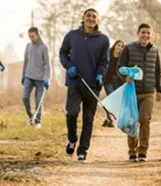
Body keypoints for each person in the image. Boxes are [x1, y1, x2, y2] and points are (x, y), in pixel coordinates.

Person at [59, 9, 110, 162]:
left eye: (94, 17)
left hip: (93, 84)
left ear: (98, 20)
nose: (91, 18)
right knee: (72, 113)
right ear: (83, 18)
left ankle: (83, 150)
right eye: (88, 15)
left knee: (88, 118)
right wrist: (68, 66)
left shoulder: (103, 39)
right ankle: (72, 139)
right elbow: (62, 53)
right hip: (75, 81)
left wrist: (100, 74)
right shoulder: (72, 35)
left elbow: (104, 61)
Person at [116, 24, 161, 162]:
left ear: (151, 35)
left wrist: (158, 89)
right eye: (143, 32)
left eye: (148, 33)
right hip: (132, 91)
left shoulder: (155, 51)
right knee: (132, 121)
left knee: (144, 120)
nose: (146, 35)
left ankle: (142, 151)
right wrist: (125, 77)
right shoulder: (128, 49)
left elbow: (156, 72)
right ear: (138, 33)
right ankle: (132, 151)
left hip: (148, 92)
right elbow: (119, 68)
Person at [22, 27, 50, 128]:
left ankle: (38, 121)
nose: (31, 38)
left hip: (40, 79)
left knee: (39, 101)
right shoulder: (28, 46)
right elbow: (25, 62)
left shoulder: (44, 47)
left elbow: (48, 64)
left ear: (38, 35)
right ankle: (31, 117)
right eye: (29, 36)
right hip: (29, 76)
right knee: (25, 97)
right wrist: (23, 76)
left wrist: (47, 79)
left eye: (33, 36)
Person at [101, 40, 126, 128]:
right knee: (111, 98)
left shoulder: (122, 57)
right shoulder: (107, 54)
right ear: (115, 45)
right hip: (108, 80)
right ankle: (111, 119)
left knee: (116, 101)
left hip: (118, 81)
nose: (119, 47)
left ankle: (108, 119)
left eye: (122, 46)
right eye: (118, 45)